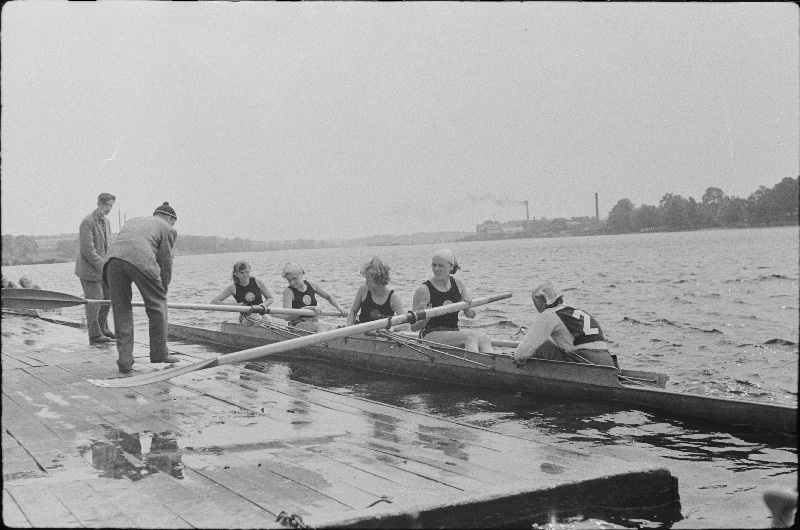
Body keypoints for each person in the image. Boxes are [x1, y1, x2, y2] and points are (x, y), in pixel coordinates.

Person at [103, 202, 178, 373]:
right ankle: (159, 354)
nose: (173, 225)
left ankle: (125, 361)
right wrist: (162, 290)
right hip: (140, 259)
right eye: (173, 222)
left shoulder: (134, 220)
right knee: (157, 306)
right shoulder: (167, 228)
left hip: (112, 261)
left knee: (121, 311)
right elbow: (166, 263)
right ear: (169, 218)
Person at [513, 282, 617, 369]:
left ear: (542, 304)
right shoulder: (574, 310)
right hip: (608, 363)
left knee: (540, 345)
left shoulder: (548, 315)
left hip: (586, 363)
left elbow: (520, 355)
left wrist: (519, 359)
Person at [410, 249, 494, 353]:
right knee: (470, 336)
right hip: (430, 335)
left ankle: (494, 366)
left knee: (484, 339)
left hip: (453, 332)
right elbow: (413, 327)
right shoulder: (424, 289)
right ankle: (475, 366)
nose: (436, 269)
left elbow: (471, 315)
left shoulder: (458, 284)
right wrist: (426, 317)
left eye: (441, 266)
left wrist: (467, 308)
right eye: (434, 265)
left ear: (451, 267)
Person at [75, 192, 116, 344]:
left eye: (111, 206)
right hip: (88, 270)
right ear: (99, 203)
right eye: (107, 205)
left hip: (103, 269)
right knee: (94, 301)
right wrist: (103, 265)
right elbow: (88, 250)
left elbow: (108, 246)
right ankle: (94, 334)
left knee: (108, 298)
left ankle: (103, 329)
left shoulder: (107, 222)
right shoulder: (87, 222)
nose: (109, 208)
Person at [281, 262, 346, 331]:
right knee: (322, 327)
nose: (292, 283)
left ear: (301, 274)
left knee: (337, 328)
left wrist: (340, 308)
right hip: (297, 324)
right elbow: (287, 317)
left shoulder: (311, 284)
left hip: (313, 322)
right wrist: (305, 309)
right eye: (289, 280)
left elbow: (329, 297)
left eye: (294, 279)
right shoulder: (288, 292)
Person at [347, 257, 407, 329]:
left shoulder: (394, 298)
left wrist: (393, 329)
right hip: (362, 332)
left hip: (382, 336)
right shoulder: (363, 290)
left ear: (379, 281)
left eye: (369, 281)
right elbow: (353, 312)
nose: (366, 283)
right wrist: (348, 328)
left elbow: (405, 324)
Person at [210, 260, 275, 325]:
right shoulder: (233, 288)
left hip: (260, 313)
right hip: (246, 317)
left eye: (247, 272)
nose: (245, 275)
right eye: (242, 273)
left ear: (249, 271)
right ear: (236, 274)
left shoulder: (257, 282)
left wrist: (262, 306)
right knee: (257, 318)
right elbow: (214, 302)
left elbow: (270, 298)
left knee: (267, 319)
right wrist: (237, 306)